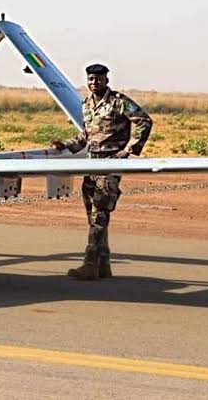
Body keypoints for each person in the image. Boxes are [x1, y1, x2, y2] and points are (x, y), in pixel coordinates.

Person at [51, 63, 153, 280]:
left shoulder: (118, 102)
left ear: (106, 80)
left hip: (109, 166)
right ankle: (103, 265)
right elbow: (87, 136)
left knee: (99, 215)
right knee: (94, 216)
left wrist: (129, 150)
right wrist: (65, 145)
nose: (94, 83)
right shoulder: (87, 104)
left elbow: (144, 121)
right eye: (90, 79)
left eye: (98, 79)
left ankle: (89, 265)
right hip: (91, 165)